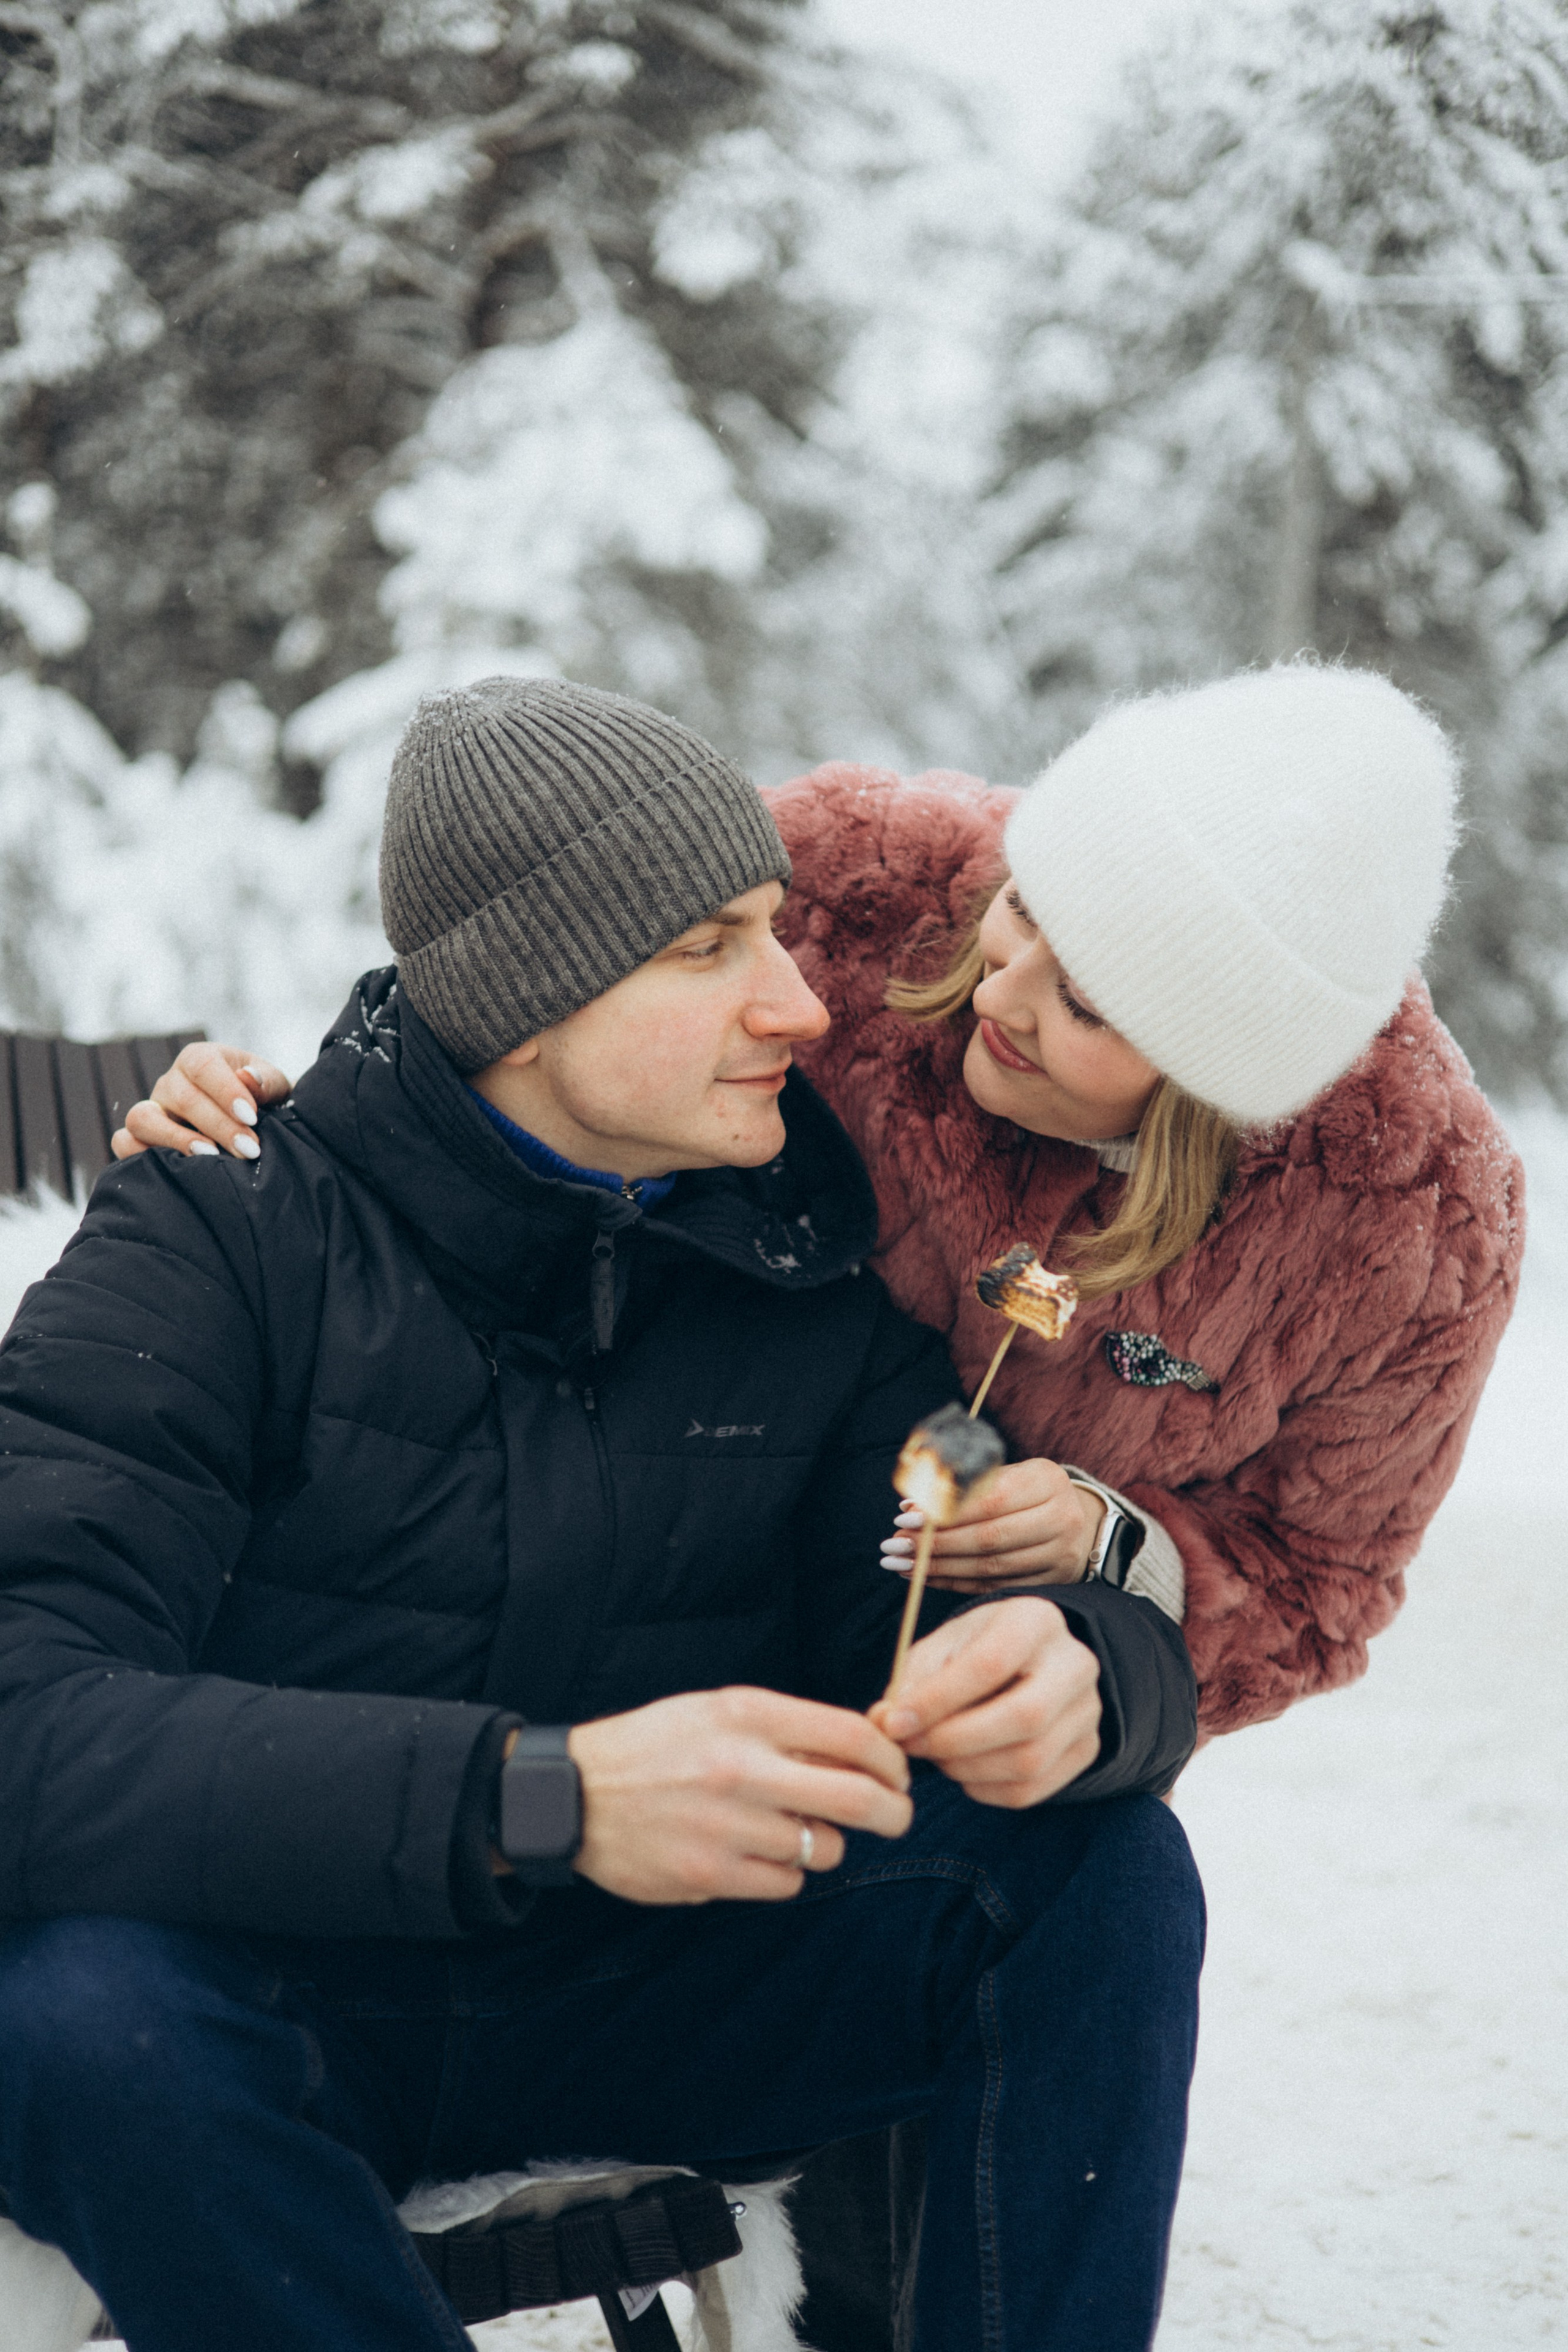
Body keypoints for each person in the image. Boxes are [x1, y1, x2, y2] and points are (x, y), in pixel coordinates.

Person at [0, 679, 1200, 2352]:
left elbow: (949, 1603)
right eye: (711, 947)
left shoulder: (802, 1275)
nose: (797, 1005)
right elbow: (27, 1715)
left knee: (1093, 1867)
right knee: (74, 2011)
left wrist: (1087, 1672)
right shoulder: (220, 1238)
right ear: (529, 999)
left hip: (652, 1994)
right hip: (281, 2003)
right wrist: (535, 1800)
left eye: (777, 932)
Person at [141, 662, 1522, 1736]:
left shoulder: (1401, 1227)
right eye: (1025, 903)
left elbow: (1320, 1582)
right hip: (642, 1573)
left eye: (1090, 1005)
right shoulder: (846, 888)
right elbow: (529, 985)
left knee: (1095, 1905)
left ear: (1211, 1083)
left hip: (962, 1697)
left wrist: (1122, 1556)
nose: (1001, 991)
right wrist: (290, 1119)